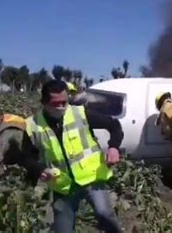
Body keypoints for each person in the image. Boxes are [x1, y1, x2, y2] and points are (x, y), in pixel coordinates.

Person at [24, 79, 123, 233]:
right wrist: (39, 170)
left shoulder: (80, 113)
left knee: (105, 215)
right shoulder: (32, 125)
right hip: (62, 186)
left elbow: (114, 126)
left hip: (92, 177)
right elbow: (27, 157)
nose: (61, 107)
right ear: (44, 102)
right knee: (63, 229)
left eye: (64, 102)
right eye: (55, 104)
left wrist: (114, 148)